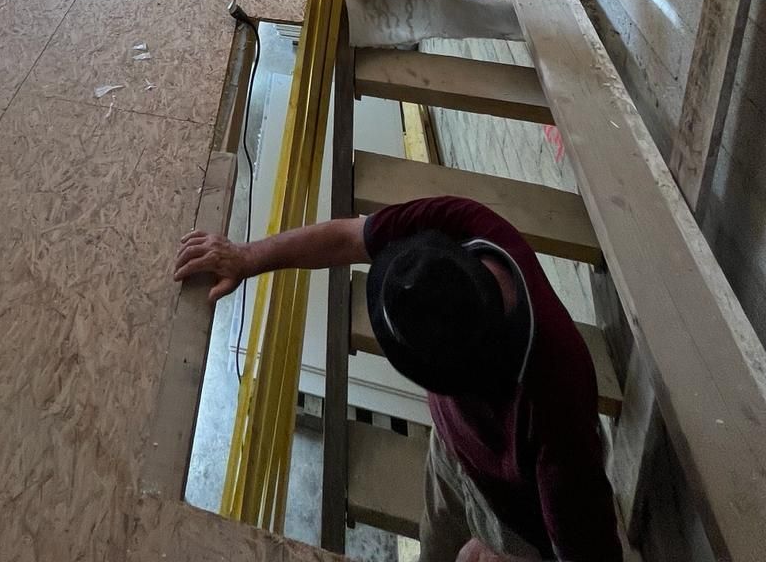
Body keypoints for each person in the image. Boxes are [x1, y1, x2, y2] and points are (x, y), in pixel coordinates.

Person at [173, 195, 622, 562]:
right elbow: (348, 237)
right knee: (438, 542)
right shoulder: (461, 228)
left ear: (454, 377)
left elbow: (590, 552)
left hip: (517, 519)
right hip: (453, 451)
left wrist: (505, 554)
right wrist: (247, 256)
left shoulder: (554, 408)